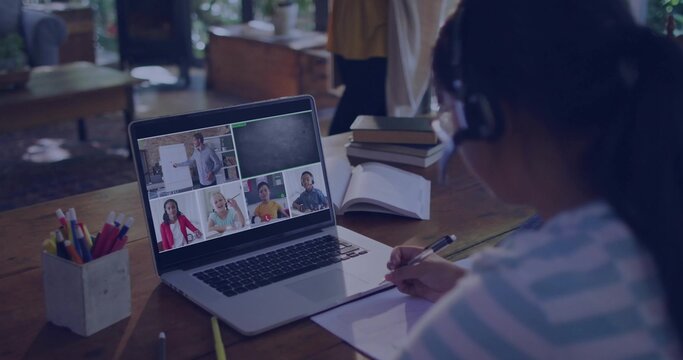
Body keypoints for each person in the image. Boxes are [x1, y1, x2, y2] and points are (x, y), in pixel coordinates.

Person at [385, 0, 683, 358]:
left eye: (448, 115)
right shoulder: (653, 218)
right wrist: (464, 286)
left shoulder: (526, 295)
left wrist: (490, 304)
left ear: (485, 114)